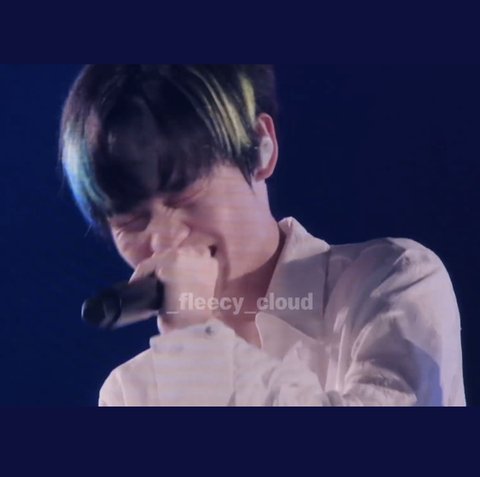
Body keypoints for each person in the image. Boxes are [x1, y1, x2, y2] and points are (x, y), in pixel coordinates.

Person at [60, 65, 465, 406]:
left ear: (260, 147)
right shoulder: (132, 393)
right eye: (131, 221)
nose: (164, 240)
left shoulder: (392, 281)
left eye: (184, 195)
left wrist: (196, 341)